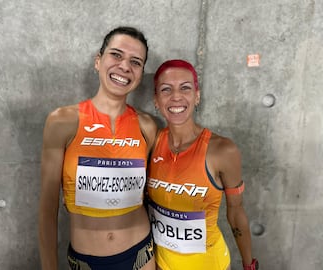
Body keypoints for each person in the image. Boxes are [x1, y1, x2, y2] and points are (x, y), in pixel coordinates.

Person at [38, 26, 157, 270]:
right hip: (86, 261)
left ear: (141, 72)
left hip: (141, 254)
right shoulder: (62, 121)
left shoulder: (147, 126)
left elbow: (150, 193)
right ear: (98, 61)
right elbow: (48, 208)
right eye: (116, 55)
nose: (125, 66)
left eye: (136, 62)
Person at [147, 59, 258, 270]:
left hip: (209, 264)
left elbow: (236, 212)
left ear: (197, 96)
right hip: (159, 263)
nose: (176, 96)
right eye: (166, 89)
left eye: (185, 88)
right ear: (156, 99)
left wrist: (249, 265)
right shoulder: (151, 142)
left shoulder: (223, 150)